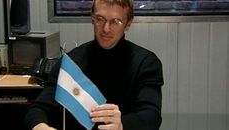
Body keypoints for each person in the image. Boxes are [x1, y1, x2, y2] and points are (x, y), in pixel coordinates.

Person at [24, 0, 164, 130]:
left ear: (128, 24)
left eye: (116, 22)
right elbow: (38, 109)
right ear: (92, 18)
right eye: (100, 19)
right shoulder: (71, 62)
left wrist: (122, 125)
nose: (106, 29)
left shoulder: (146, 63)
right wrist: (40, 126)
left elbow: (151, 116)